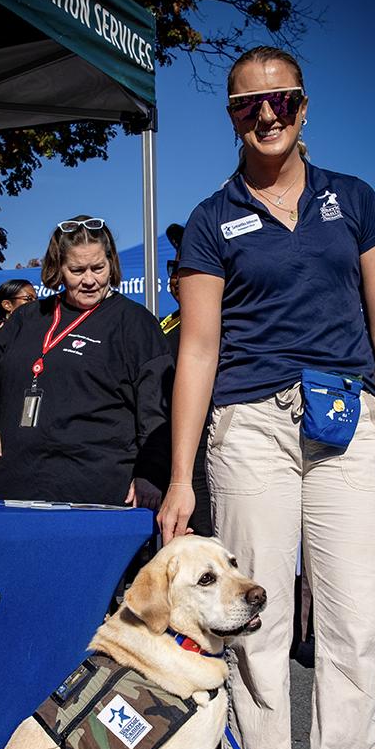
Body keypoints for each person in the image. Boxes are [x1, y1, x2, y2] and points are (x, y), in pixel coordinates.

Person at [158, 46, 375, 749]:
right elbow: (197, 350)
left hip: (349, 425)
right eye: (247, 106)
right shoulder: (210, 219)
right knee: (254, 630)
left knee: (356, 631)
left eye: (281, 101)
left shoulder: (356, 200)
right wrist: (181, 476)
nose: (266, 116)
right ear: (231, 115)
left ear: (305, 105)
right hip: (248, 430)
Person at [0, 216, 173, 507]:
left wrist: (151, 472)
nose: (89, 280)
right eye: (77, 270)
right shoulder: (26, 319)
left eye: (98, 268)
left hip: (97, 494)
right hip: (15, 489)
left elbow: (157, 411)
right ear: (58, 268)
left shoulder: (135, 323)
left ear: (111, 264)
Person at [159, 223, 213, 537]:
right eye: (174, 269)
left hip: (208, 460)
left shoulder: (223, 326)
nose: (177, 278)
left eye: (185, 269)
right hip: (174, 458)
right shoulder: (165, 325)